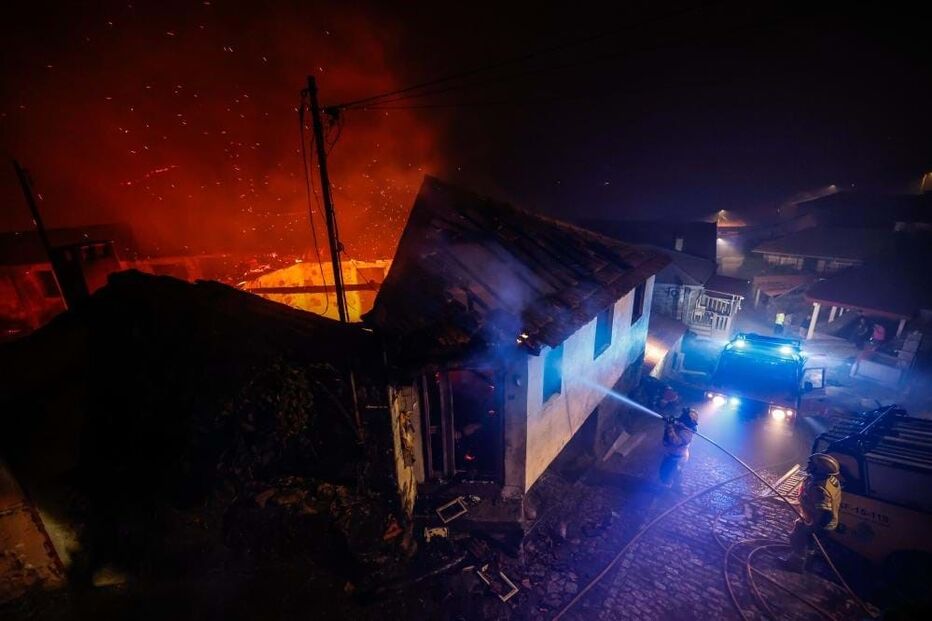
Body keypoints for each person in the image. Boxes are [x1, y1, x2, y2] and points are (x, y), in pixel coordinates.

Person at [782, 453, 842, 572]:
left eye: (812, 464)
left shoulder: (818, 489)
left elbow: (823, 512)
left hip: (819, 521)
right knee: (810, 542)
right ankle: (808, 564)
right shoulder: (827, 480)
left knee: (798, 537)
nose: (808, 465)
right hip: (816, 518)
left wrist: (811, 526)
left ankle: (796, 564)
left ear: (819, 470)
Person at [659, 408, 698, 489]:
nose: (682, 417)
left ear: (688, 420)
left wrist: (670, 426)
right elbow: (676, 422)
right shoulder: (682, 425)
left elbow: (675, 441)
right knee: (664, 472)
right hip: (672, 454)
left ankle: (667, 489)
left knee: (667, 474)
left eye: (684, 416)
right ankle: (670, 484)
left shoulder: (687, 433)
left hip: (677, 457)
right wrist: (670, 419)